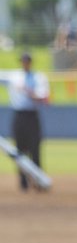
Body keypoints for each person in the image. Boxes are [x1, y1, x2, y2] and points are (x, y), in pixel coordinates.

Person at [0, 52, 49, 192]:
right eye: (23, 61)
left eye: (27, 61)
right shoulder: (14, 76)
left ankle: (39, 181)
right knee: (20, 149)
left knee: (35, 149)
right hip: (19, 115)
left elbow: (44, 97)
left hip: (32, 115)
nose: (25, 63)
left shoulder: (38, 77)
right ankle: (23, 183)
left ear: (30, 62)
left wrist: (28, 91)